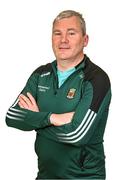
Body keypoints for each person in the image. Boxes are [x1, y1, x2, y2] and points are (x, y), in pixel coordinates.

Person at [5, 10, 111, 179]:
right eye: (57, 33)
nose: (63, 40)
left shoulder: (97, 79)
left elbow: (77, 134)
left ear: (85, 40)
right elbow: (11, 116)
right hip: (45, 175)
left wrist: (35, 119)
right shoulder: (40, 75)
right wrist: (53, 118)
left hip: (84, 177)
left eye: (71, 33)